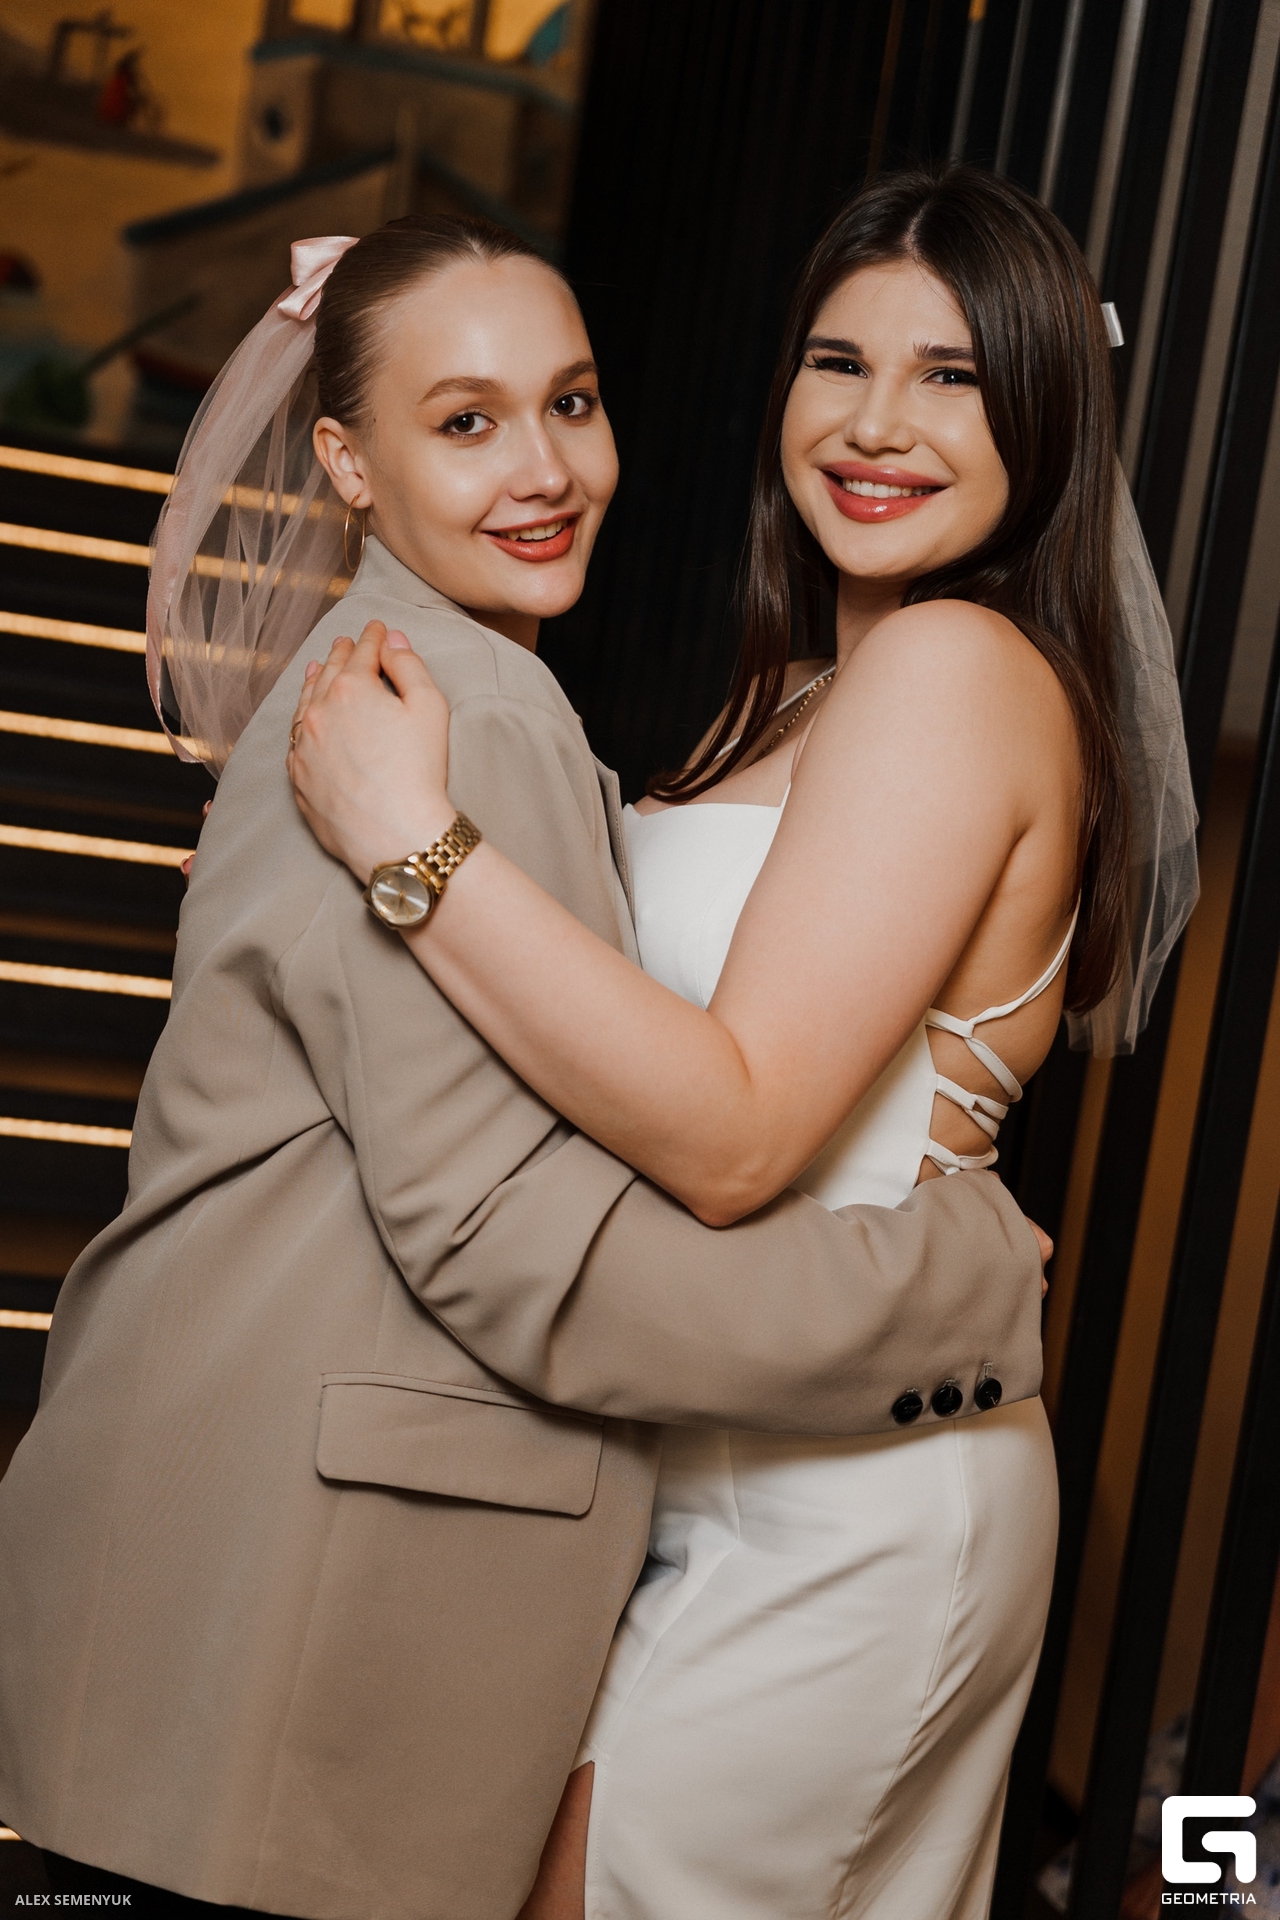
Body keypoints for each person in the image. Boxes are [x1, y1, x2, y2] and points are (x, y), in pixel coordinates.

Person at [0, 215, 1051, 1918]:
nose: (546, 468)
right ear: (346, 460)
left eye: (570, 402)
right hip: (317, 1578)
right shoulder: (461, 710)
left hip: (391, 1560)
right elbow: (500, 1232)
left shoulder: (438, 704)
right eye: (466, 421)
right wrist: (948, 1302)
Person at [286, 172, 1197, 1918]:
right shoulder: (787, 695)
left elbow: (736, 1135)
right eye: (837, 362)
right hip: (701, 1451)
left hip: (847, 1505)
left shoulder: (956, 668)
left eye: (950, 377)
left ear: (1042, 416)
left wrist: (411, 842)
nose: (874, 424)